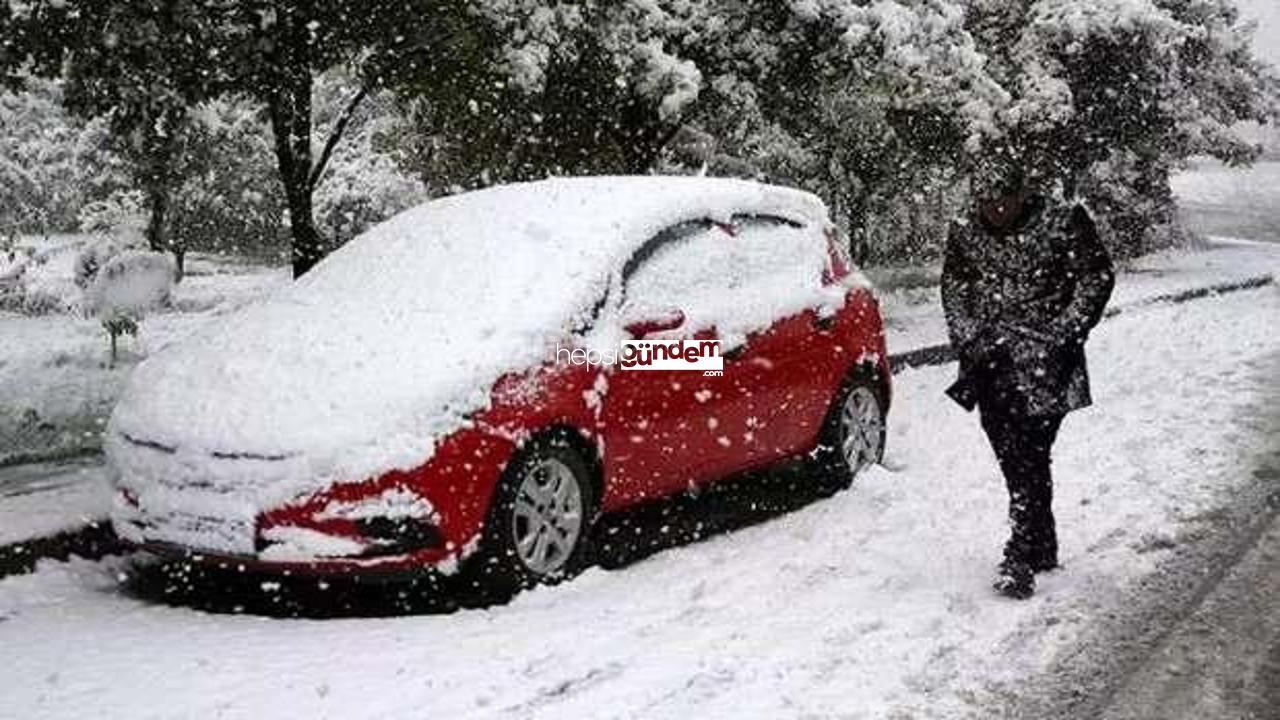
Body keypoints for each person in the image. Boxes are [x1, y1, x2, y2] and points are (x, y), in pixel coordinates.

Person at [941, 172, 1115, 599]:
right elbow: (954, 285)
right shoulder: (965, 230)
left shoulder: (1063, 221)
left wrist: (1063, 333)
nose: (995, 209)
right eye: (986, 199)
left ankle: (1019, 553)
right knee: (1014, 454)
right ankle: (1042, 542)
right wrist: (967, 335)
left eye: (1004, 199)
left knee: (1029, 452)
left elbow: (1097, 277)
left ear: (1023, 194)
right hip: (990, 363)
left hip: (1046, 366)